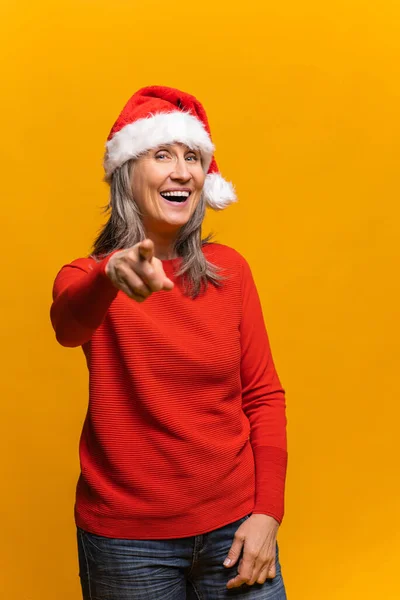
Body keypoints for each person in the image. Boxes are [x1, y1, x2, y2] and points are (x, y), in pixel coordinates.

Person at [50, 85, 288, 599]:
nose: (183, 171)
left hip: (236, 528)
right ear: (126, 174)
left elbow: (264, 396)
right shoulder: (88, 277)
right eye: (163, 155)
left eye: (194, 157)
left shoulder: (232, 272)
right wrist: (110, 275)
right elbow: (67, 326)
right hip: (127, 543)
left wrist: (268, 512)